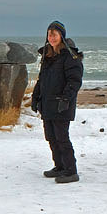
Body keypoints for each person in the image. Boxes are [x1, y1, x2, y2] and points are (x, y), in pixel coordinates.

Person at [31, 20, 84, 183]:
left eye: (54, 34)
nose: (51, 37)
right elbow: (42, 80)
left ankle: (71, 171)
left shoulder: (70, 56)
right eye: (49, 34)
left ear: (61, 36)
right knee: (51, 137)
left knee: (62, 137)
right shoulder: (47, 55)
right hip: (47, 104)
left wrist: (66, 99)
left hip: (62, 105)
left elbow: (74, 81)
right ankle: (60, 166)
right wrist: (35, 97)